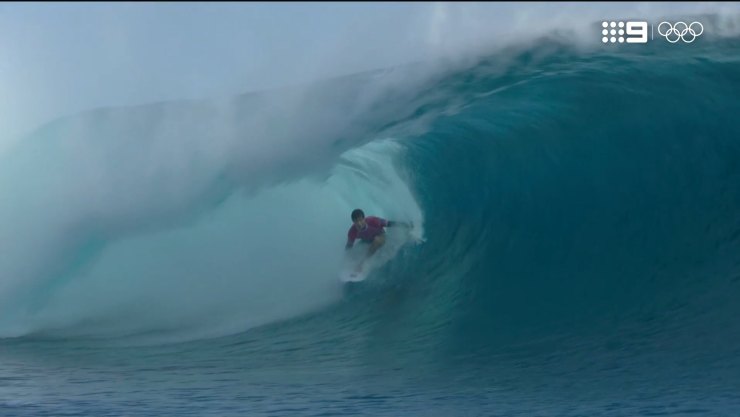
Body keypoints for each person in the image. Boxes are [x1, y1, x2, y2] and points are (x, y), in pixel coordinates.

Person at [345, 208, 412, 272]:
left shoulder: (373, 221)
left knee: (377, 241)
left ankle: (362, 264)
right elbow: (349, 246)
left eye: (360, 220)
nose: (359, 223)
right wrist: (346, 258)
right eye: (356, 221)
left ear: (364, 219)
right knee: (355, 250)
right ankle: (353, 266)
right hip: (366, 240)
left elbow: (389, 223)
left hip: (380, 236)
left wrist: (406, 225)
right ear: (353, 222)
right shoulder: (352, 232)